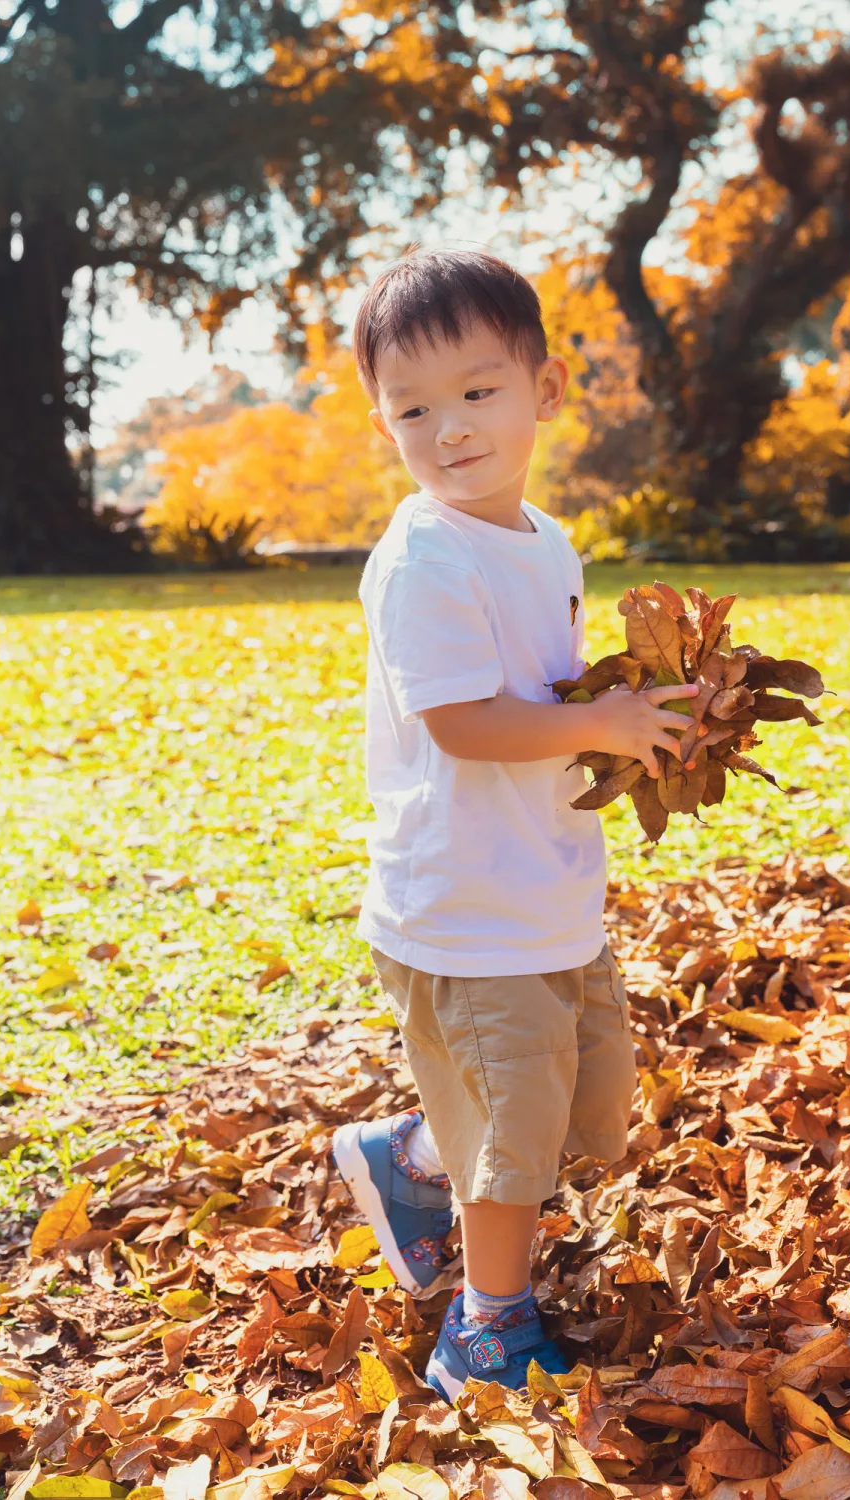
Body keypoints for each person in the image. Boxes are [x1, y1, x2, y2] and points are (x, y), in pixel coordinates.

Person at [331, 245, 698, 1400]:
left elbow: (544, 695)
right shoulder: (424, 558)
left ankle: (411, 1155)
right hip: (463, 904)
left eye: (477, 392)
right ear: (383, 422)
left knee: (589, 1099)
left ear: (542, 391)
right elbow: (465, 723)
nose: (448, 429)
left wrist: (637, 712)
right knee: (518, 1133)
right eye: (413, 408)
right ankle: (484, 1327)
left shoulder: (544, 540)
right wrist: (611, 721)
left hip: (544, 884)